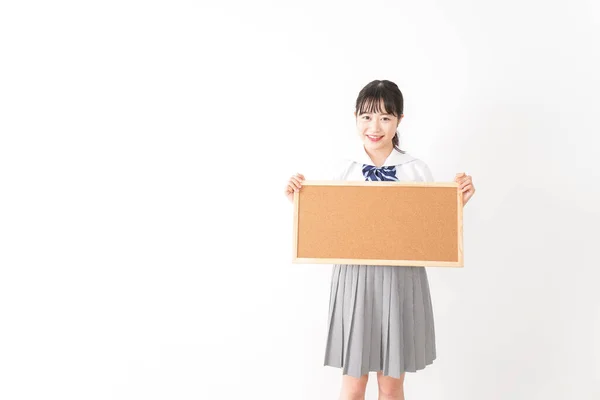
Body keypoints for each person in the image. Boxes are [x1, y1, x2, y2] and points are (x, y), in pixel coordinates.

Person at [284, 80, 475, 400]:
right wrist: (302, 203)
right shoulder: (343, 169)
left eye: (385, 117)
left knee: (391, 384)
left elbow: (429, 230)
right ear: (356, 118)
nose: (375, 126)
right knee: (353, 383)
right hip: (354, 277)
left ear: (400, 120)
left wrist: (456, 204)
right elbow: (330, 227)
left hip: (401, 277)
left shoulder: (415, 169)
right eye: (367, 117)